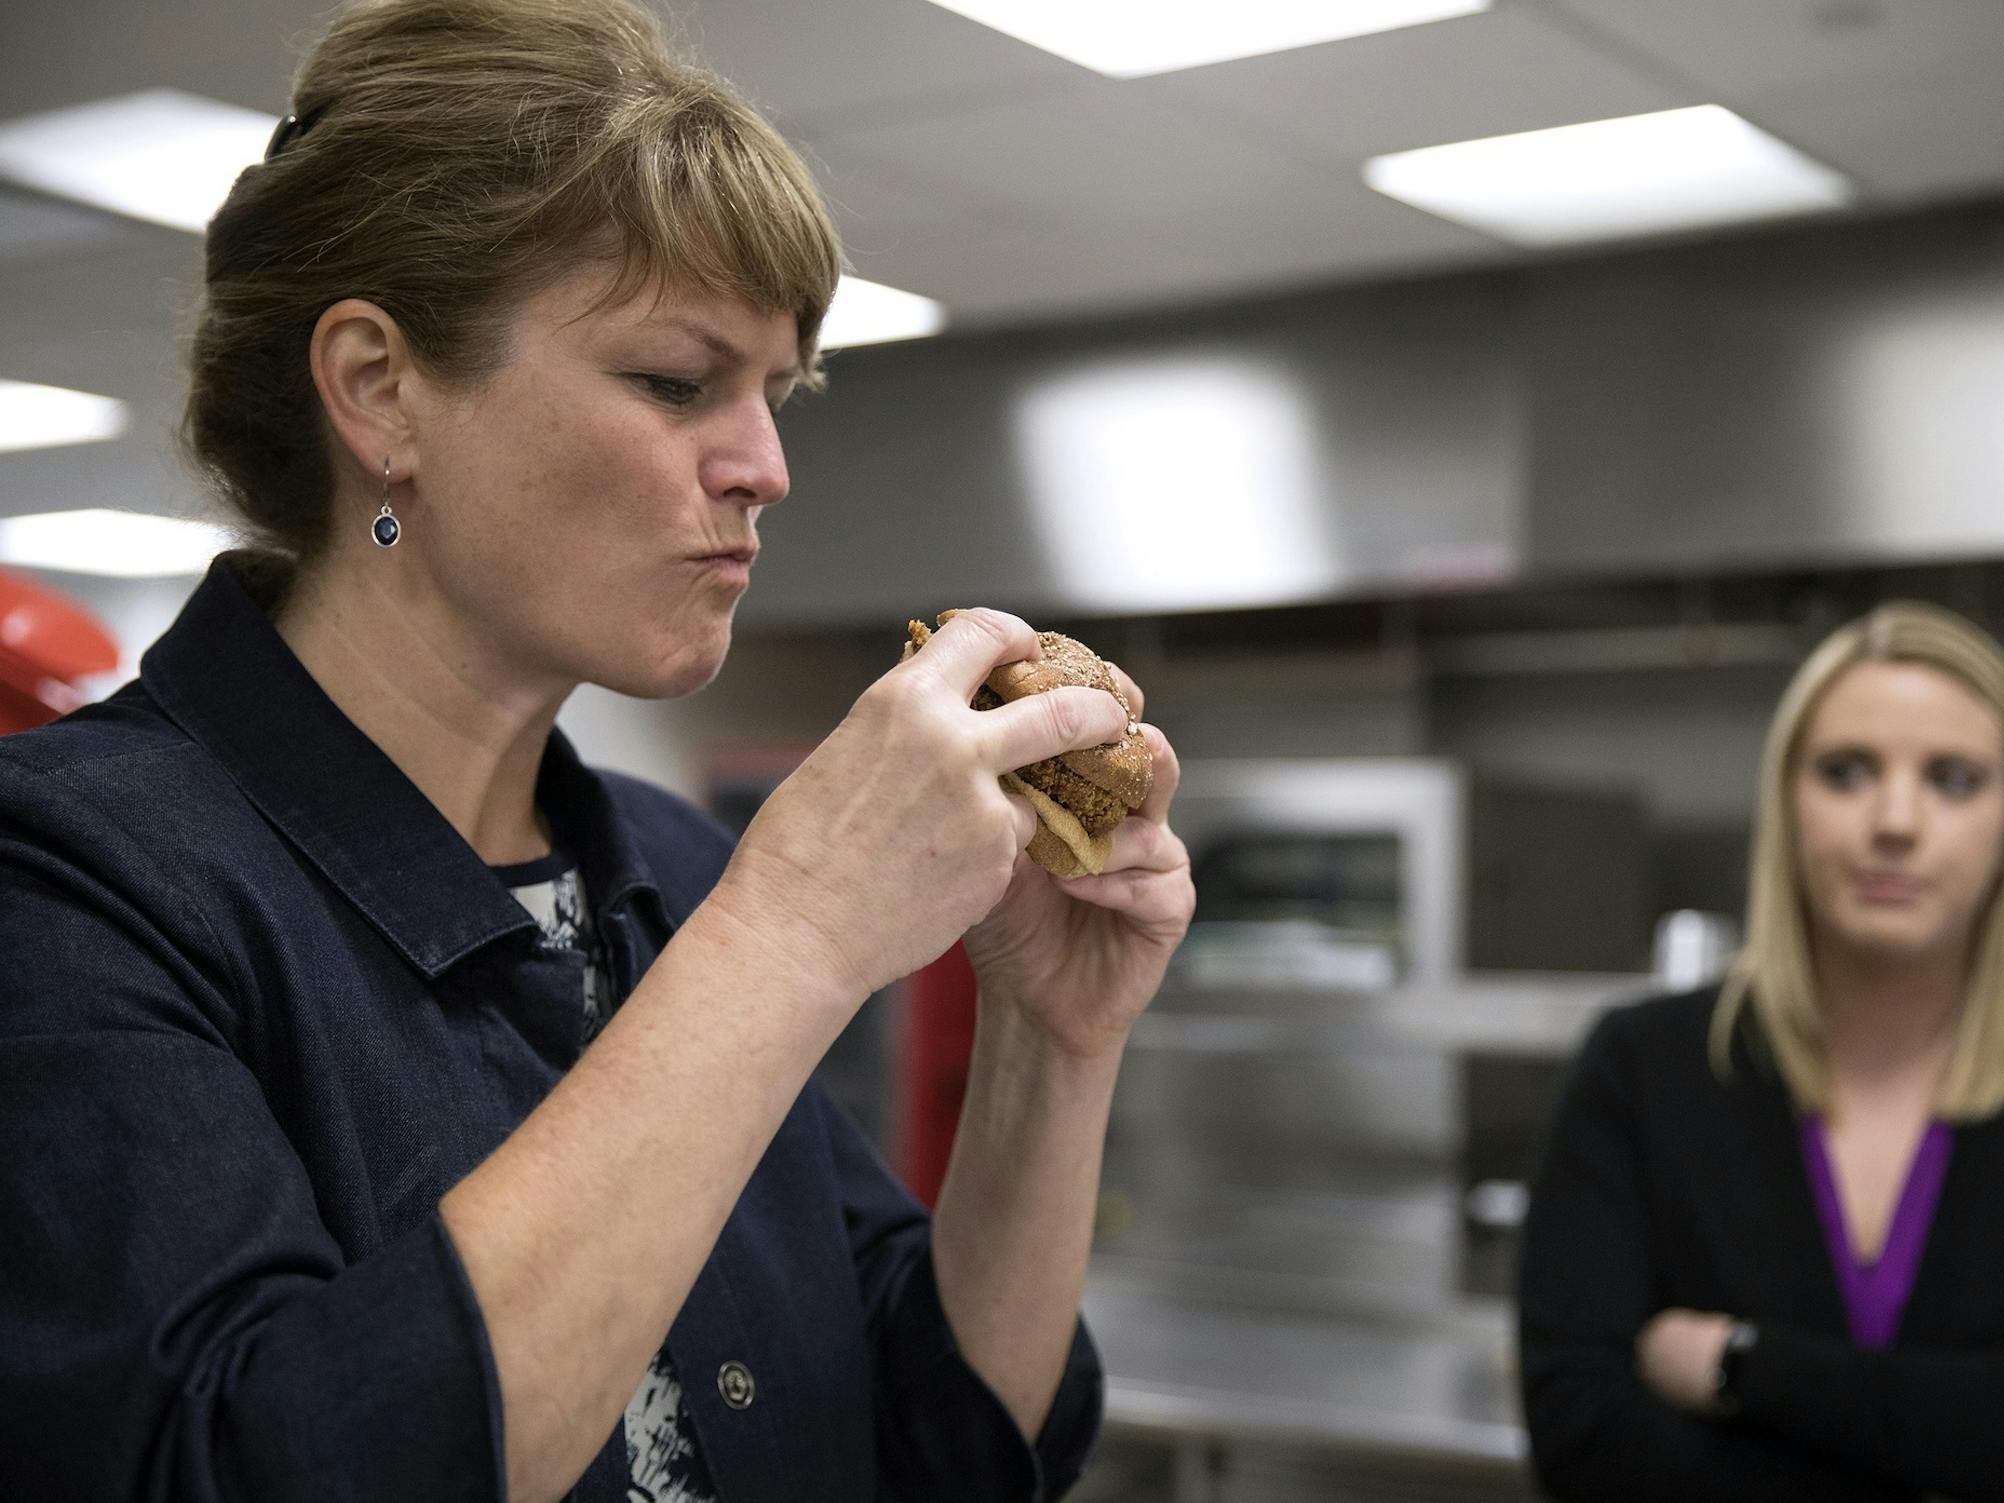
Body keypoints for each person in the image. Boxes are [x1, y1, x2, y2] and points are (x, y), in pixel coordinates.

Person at [0, 1, 1195, 1499]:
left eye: (777, 391)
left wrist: (1052, 1043)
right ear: (380, 387)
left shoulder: (675, 870)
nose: (763, 465)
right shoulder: (67, 874)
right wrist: (793, 936)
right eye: (677, 381)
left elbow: (943, 1437)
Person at [1516, 602, 2004, 1502]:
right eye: (1847, 771)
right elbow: (1585, 1445)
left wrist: (1741, 1364)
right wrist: (1988, 1423)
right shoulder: (1643, 1066)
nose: (1895, 820)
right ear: (1788, 804)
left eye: (1954, 779)